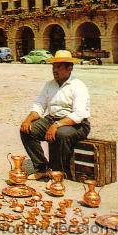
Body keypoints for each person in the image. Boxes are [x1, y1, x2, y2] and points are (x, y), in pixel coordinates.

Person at [19, 50, 91, 180]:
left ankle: (60, 173)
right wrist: (27, 120)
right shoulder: (49, 85)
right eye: (53, 66)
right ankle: (42, 167)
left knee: (60, 134)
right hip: (52, 119)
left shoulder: (78, 86)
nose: (54, 70)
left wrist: (57, 125)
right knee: (26, 130)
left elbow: (79, 114)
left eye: (58, 67)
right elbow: (39, 106)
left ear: (69, 68)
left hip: (76, 124)